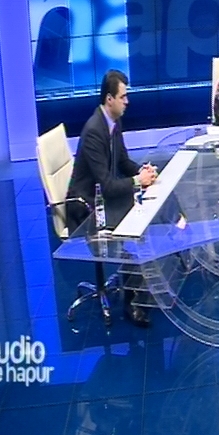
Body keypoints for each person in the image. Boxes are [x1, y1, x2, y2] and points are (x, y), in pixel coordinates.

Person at [66, 69, 158, 326]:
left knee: (141, 212)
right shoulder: (94, 131)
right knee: (132, 227)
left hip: (101, 198)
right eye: (123, 97)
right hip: (85, 209)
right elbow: (106, 186)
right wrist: (137, 182)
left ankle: (140, 286)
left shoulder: (114, 121)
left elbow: (123, 161)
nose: (127, 101)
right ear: (109, 99)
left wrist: (142, 171)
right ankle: (132, 302)